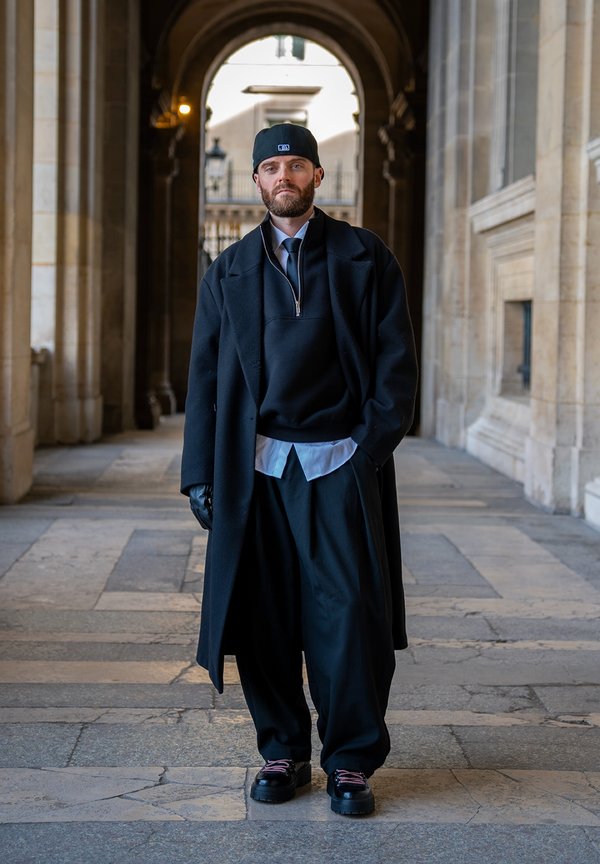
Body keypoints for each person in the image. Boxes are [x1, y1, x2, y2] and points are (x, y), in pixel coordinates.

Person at [181, 123, 418, 817]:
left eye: (295, 165)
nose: (282, 177)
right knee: (265, 615)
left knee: (349, 615)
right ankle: (282, 749)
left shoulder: (366, 257)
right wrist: (200, 474)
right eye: (271, 167)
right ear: (256, 180)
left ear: (316, 175)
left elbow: (396, 366)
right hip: (255, 469)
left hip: (338, 463)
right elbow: (203, 379)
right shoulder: (228, 271)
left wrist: (366, 452)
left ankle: (350, 761)